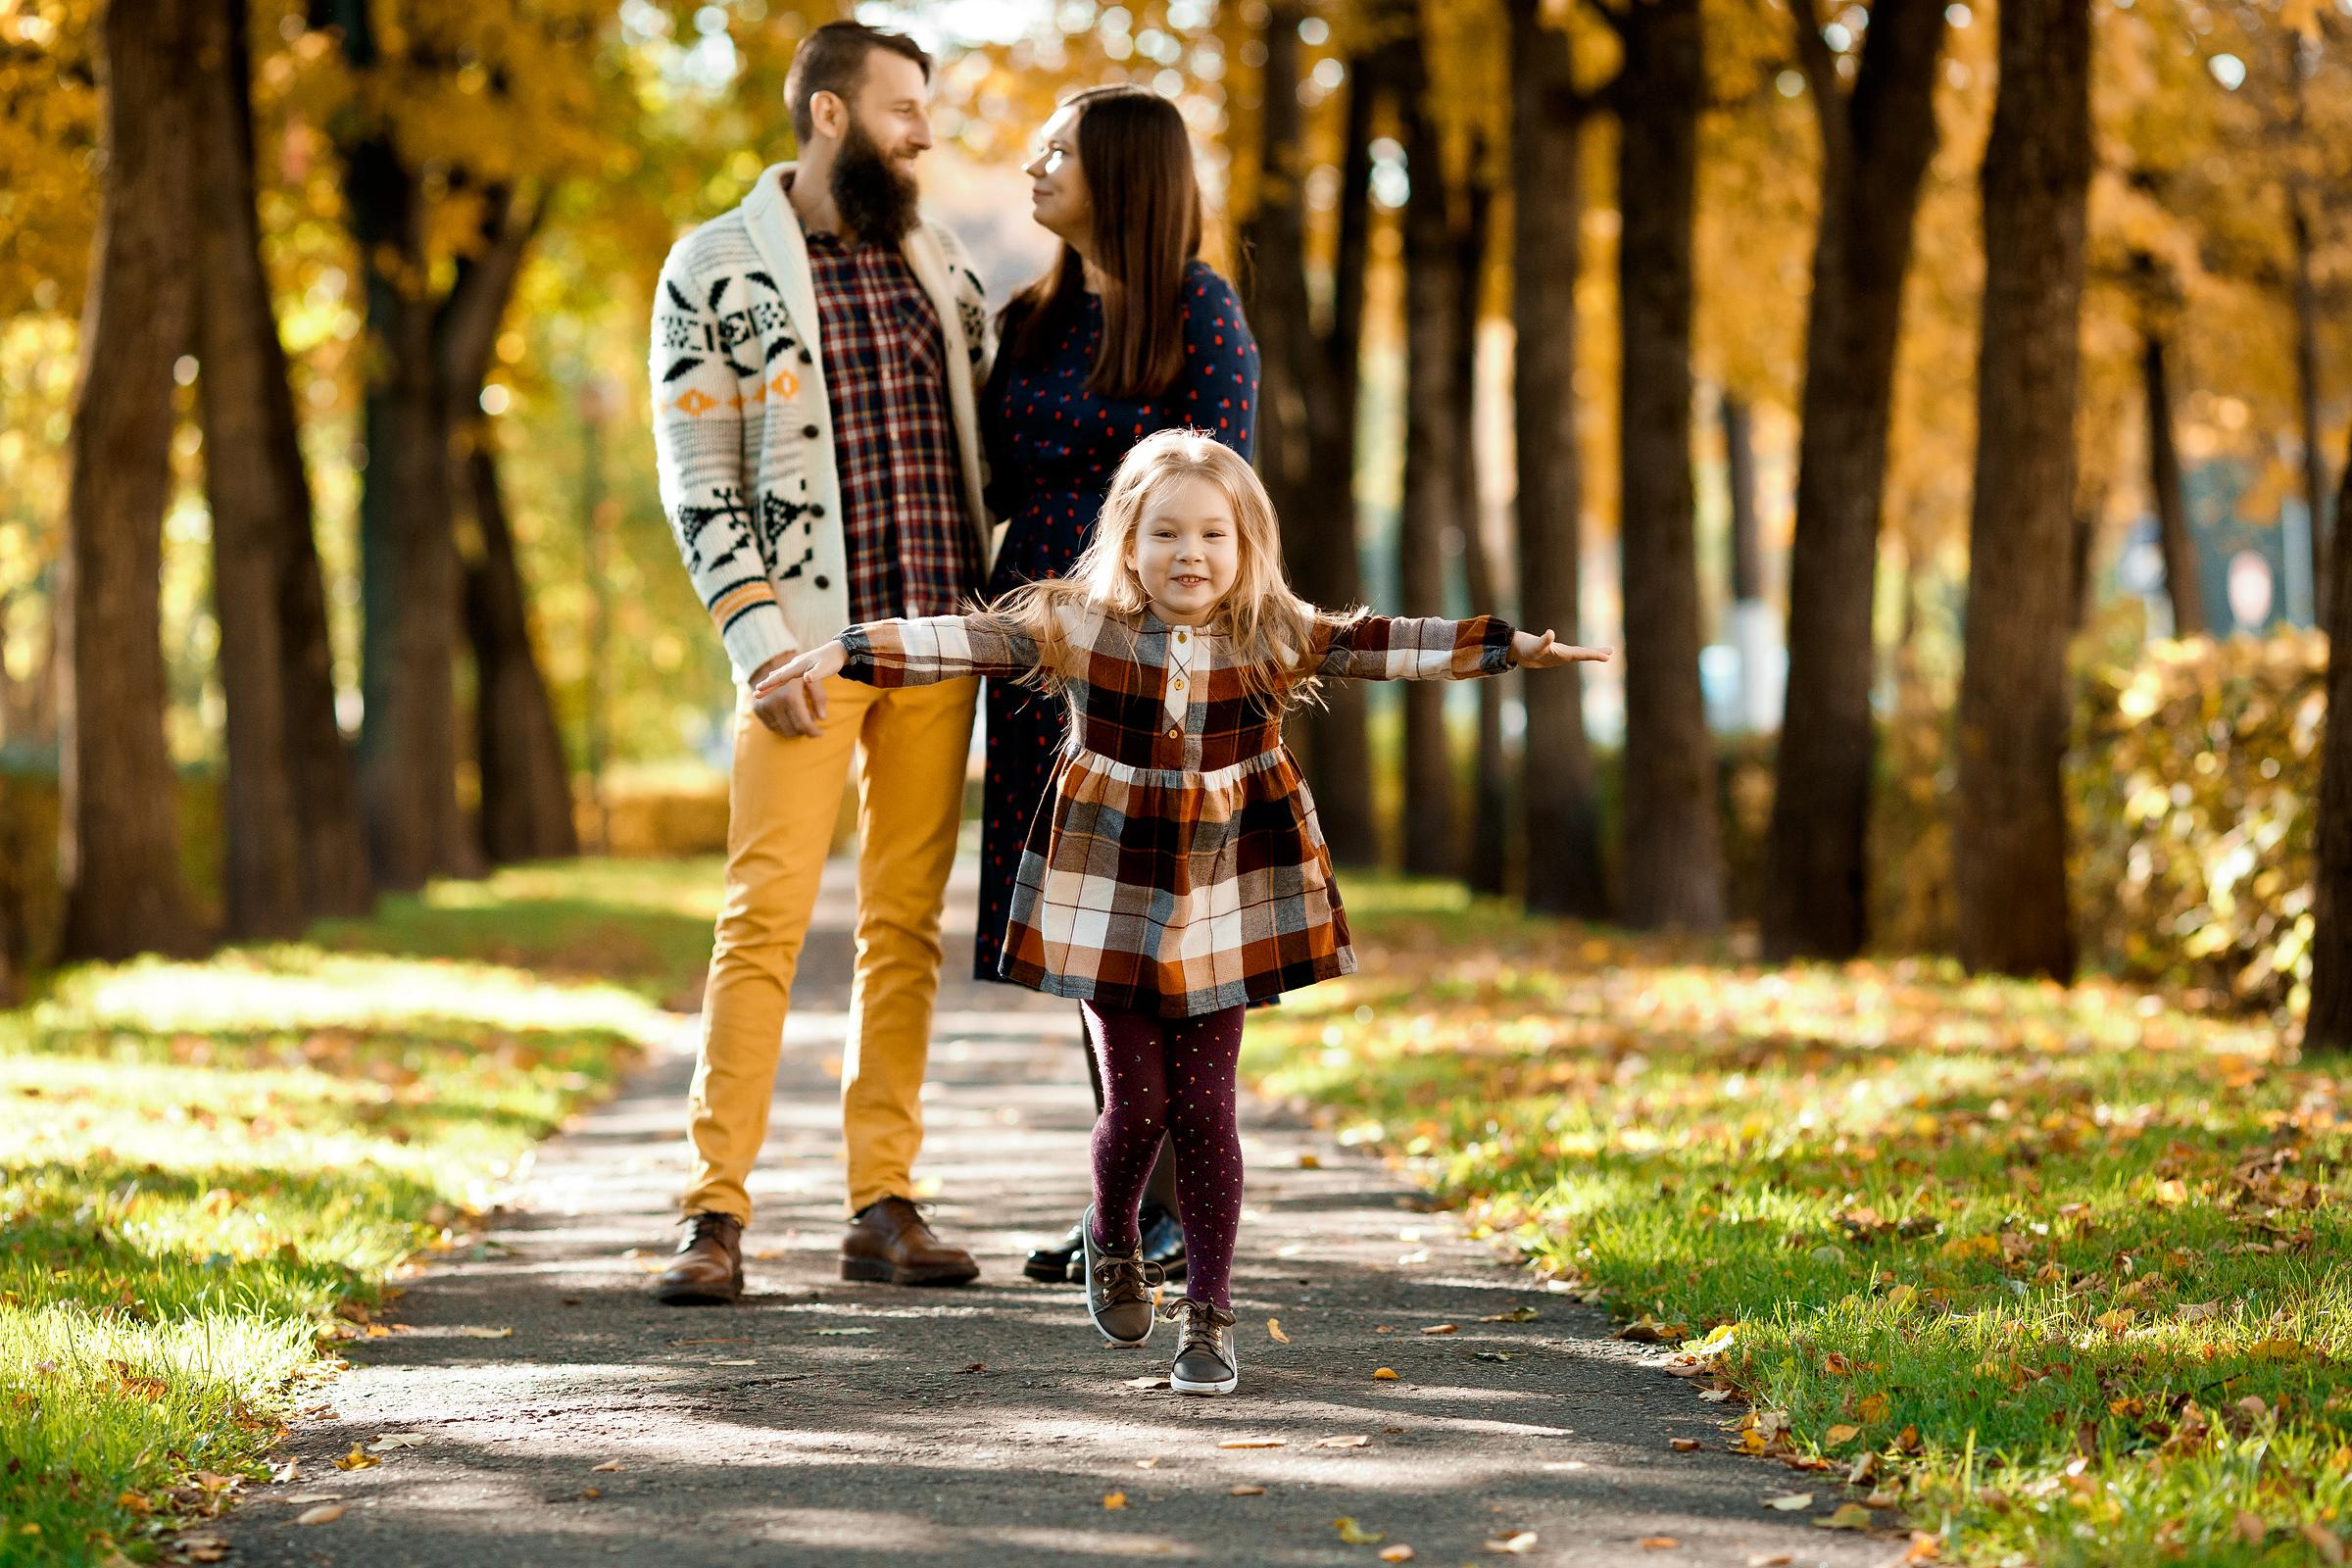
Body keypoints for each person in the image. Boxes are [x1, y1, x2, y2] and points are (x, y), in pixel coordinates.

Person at [754, 430, 1612, 1395]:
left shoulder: (1272, 635)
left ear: (1247, 548)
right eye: (1166, 533)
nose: (1189, 554)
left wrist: (1507, 647)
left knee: (1206, 1107)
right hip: (1108, 892)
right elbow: (958, 640)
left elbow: (1381, 642)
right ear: (1129, 543)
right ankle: (1110, 1229)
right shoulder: (1077, 626)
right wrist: (841, 650)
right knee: (1140, 1108)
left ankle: (1209, 1317)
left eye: (1212, 534)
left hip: (1226, 896)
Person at [646, 21, 999, 1304]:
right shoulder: (715, 268)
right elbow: (700, 482)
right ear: (833, 115)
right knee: (763, 925)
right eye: (907, 109)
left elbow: (986, 449)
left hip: (939, 645)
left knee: (904, 929)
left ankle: (883, 1202)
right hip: (803, 652)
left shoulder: (936, 262)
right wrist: (758, 642)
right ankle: (713, 1212)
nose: (924, 131)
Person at [979, 84, 1260, 1287]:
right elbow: (989, 476)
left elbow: (1223, 504)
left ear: (1127, 174)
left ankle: (1161, 1207)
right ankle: (1124, 1190)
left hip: (1154, 666)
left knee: (1162, 919)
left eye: (1061, 150)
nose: (1034, 163)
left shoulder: (1202, 315)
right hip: (1041, 652)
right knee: (1084, 917)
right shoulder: (1032, 316)